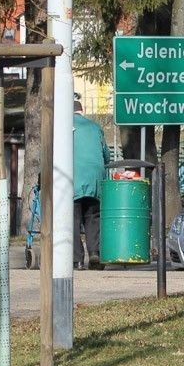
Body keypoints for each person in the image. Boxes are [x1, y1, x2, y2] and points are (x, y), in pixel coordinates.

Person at [73, 95, 110, 270]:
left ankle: (76, 259)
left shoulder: (62, 127)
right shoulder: (95, 127)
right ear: (82, 111)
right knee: (93, 217)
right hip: (95, 180)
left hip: (72, 180)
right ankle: (95, 253)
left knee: (72, 220)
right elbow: (106, 155)